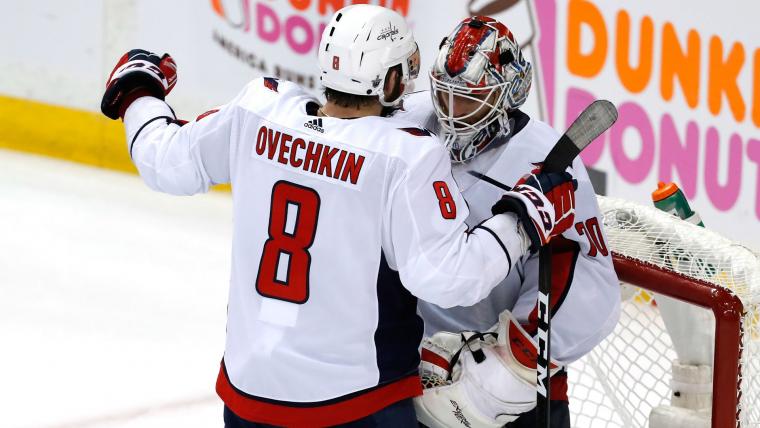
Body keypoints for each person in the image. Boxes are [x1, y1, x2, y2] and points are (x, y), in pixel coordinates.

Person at [98, 5, 579, 428]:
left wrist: (138, 92)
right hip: (354, 406)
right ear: (389, 80)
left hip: (247, 397)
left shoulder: (259, 109)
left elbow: (165, 161)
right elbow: (447, 277)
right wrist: (523, 219)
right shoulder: (404, 155)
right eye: (405, 73)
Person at [392, 16, 621, 428]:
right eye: (445, 95)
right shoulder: (410, 122)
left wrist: (511, 359)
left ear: (508, 96)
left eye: (469, 99)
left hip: (505, 394)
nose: (451, 112)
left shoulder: (545, 160)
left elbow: (587, 275)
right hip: (409, 369)